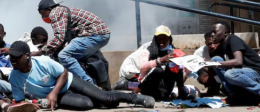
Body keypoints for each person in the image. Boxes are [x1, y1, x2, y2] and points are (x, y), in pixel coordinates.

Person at [8, 41, 155, 110]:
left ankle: (136, 98)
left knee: (105, 97)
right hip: (60, 96)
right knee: (88, 105)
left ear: (27, 56)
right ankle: (101, 100)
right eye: (11, 57)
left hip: (69, 82)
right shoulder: (13, 77)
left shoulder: (42, 62)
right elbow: (20, 102)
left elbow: (63, 72)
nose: (12, 60)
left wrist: (53, 92)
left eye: (16, 57)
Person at [31, 0, 110, 84]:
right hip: (100, 34)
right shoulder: (62, 10)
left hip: (95, 34)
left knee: (64, 55)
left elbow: (59, 38)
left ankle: (89, 84)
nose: (43, 17)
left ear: (49, 9)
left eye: (43, 13)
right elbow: (64, 37)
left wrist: (40, 52)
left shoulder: (55, 13)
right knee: (73, 58)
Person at [209, 21, 260, 107]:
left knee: (229, 73)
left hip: (258, 73)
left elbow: (238, 61)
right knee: (215, 59)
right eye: (211, 32)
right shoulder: (221, 47)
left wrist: (219, 63)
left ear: (226, 33)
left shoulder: (233, 39)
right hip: (243, 73)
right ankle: (234, 95)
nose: (212, 34)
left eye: (215, 32)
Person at [133, 25, 188, 101]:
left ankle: (181, 91)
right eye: (159, 38)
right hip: (148, 88)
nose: (161, 41)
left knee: (176, 64)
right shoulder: (148, 51)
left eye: (164, 38)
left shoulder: (174, 51)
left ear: (169, 39)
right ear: (155, 39)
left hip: (165, 90)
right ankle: (134, 93)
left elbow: (181, 70)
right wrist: (160, 60)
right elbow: (142, 66)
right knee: (158, 70)